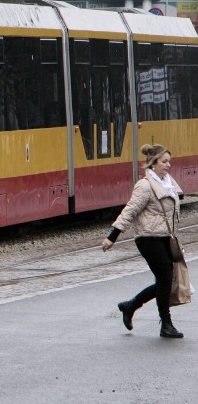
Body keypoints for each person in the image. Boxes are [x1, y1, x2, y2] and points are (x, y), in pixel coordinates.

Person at [102, 144, 184, 338]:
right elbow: (129, 211)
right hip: (148, 238)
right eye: (164, 161)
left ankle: (130, 306)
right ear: (153, 163)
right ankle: (166, 324)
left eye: (169, 161)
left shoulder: (167, 182)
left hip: (165, 237)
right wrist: (112, 236)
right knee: (165, 279)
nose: (168, 165)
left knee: (165, 281)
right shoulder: (145, 185)